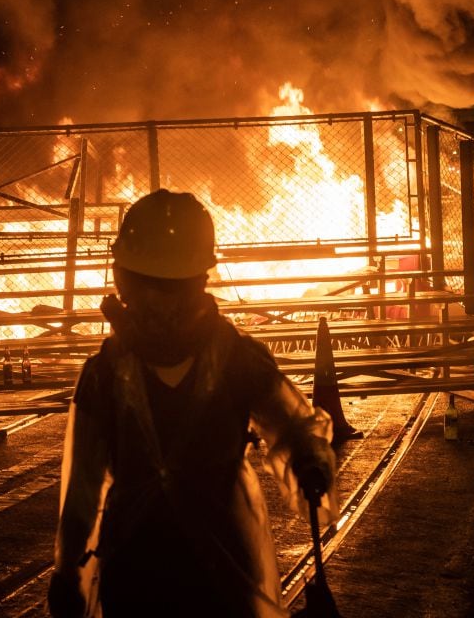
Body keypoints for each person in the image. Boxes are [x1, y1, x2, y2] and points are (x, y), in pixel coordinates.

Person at [48, 190, 339, 618]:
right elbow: (82, 487)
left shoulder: (231, 361)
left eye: (169, 289)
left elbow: (294, 428)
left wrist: (307, 459)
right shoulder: (109, 374)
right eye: (149, 288)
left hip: (187, 565)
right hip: (158, 566)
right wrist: (67, 570)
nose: (158, 305)